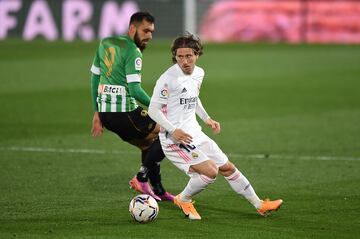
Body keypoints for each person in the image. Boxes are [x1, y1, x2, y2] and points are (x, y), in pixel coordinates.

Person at [148, 33, 283, 220]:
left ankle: (260, 205)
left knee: (227, 167)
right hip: (174, 139)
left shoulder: (199, 73)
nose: (185, 61)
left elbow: (193, 97)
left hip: (194, 132)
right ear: (175, 56)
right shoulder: (167, 79)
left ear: (197, 55)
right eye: (180, 56)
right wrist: (173, 130)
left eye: (189, 56)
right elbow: (153, 110)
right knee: (211, 171)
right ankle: (184, 199)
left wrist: (207, 118)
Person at [90, 11, 174, 201]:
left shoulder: (105, 42)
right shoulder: (133, 51)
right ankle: (141, 177)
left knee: (148, 143)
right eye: (145, 31)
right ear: (132, 29)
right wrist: (161, 106)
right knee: (171, 131)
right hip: (125, 113)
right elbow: (135, 91)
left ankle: (158, 190)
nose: (149, 36)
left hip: (107, 115)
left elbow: (95, 78)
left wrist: (97, 112)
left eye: (152, 32)